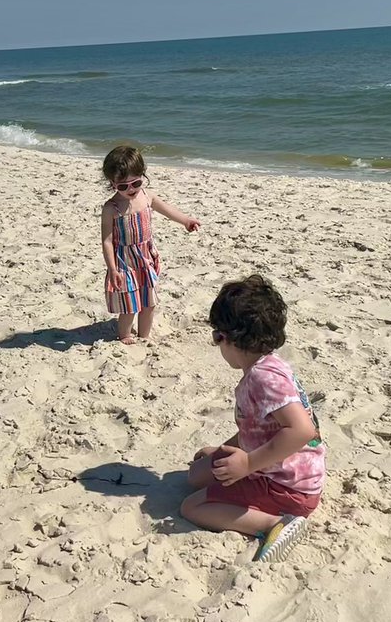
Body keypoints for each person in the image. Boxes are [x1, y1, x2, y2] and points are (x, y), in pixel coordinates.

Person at [181, 275, 326, 562]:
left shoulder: (262, 378)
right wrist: (227, 452)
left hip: (287, 485)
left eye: (216, 337)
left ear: (230, 338)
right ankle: (256, 493)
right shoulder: (268, 366)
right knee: (199, 469)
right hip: (286, 469)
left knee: (191, 507)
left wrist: (247, 464)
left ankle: (275, 524)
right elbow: (259, 427)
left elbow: (302, 430)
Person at [100, 146, 199, 343]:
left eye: (136, 183)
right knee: (130, 304)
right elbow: (107, 241)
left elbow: (168, 211)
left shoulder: (147, 196)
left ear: (143, 176)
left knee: (149, 301)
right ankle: (125, 335)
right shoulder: (111, 208)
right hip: (124, 262)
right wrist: (112, 269)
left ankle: (144, 336)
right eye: (123, 186)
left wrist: (186, 220)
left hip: (145, 258)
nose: (131, 189)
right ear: (112, 184)